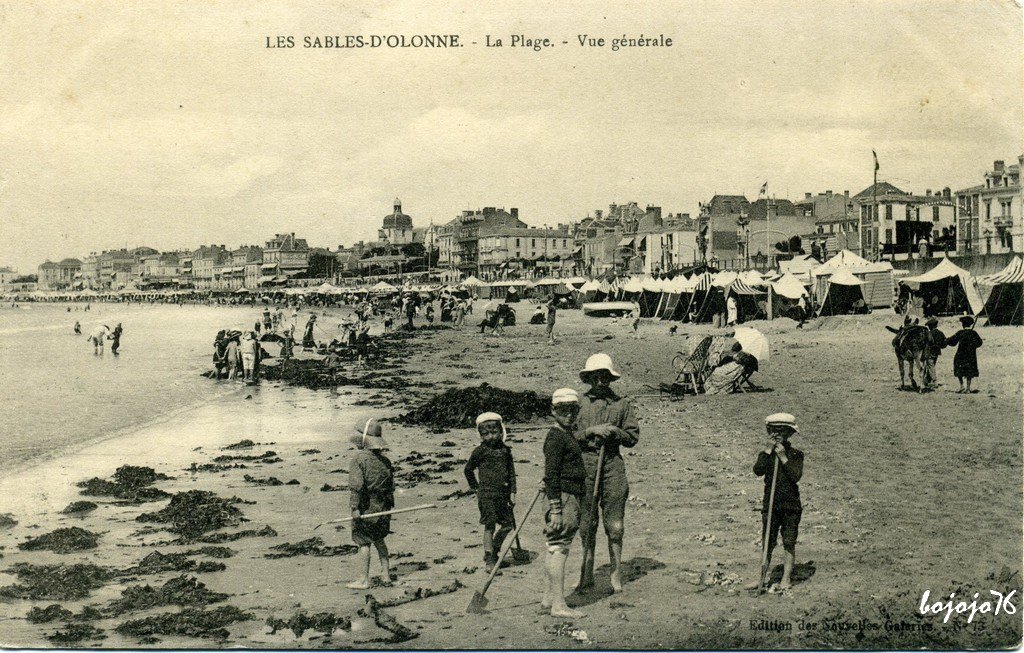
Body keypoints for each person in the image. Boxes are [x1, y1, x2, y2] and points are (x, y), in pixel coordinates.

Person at [575, 353, 639, 594]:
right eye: (596, 377)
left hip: (612, 464)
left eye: (606, 377)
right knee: (586, 522)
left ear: (611, 379)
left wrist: (615, 432)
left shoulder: (622, 404)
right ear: (589, 378)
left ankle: (615, 572)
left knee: (615, 525)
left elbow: (633, 437)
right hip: (586, 464)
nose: (601, 381)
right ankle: (587, 571)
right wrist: (592, 431)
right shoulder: (579, 403)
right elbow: (569, 437)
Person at [542, 388, 587, 618]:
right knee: (560, 548)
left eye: (573, 410)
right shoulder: (557, 437)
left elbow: (551, 473)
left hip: (562, 495)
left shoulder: (562, 434)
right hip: (564, 498)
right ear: (553, 411)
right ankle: (559, 605)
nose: (569, 415)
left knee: (553, 547)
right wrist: (556, 510)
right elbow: (551, 474)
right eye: (563, 410)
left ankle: (549, 598)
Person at [747, 413, 804, 591]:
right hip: (770, 505)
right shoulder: (766, 455)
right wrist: (767, 451)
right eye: (773, 431)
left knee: (789, 541)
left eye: (781, 431)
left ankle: (786, 579)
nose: (777, 435)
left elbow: (795, 476)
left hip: (790, 505)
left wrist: (784, 458)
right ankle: (762, 578)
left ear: (789, 434)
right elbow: (758, 471)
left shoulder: (796, 454)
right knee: (768, 541)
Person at [463, 412, 517, 571]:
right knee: (490, 525)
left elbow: (511, 473)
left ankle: (494, 550)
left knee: (507, 525)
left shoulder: (506, 451)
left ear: (501, 431)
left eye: (494, 432)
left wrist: (513, 491)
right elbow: (468, 470)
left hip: (503, 494)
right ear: (480, 435)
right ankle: (489, 559)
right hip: (486, 494)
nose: (491, 437)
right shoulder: (480, 451)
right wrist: (476, 488)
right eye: (485, 434)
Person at [347, 418, 394, 589]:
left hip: (366, 507)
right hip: (383, 506)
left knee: (364, 542)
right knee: (380, 539)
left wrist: (354, 508)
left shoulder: (359, 460)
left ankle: (364, 580)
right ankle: (386, 575)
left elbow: (357, 487)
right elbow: (391, 486)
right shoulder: (385, 461)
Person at [947, 316, 983, 394]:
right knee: (970, 370)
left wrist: (946, 340)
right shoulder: (973, 333)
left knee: (959, 368)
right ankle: (968, 388)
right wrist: (973, 346)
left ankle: (961, 386)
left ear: (963, 324)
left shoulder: (960, 333)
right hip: (971, 355)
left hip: (961, 354)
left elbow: (952, 341)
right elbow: (979, 343)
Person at [923, 317, 946, 388]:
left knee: (930, 366)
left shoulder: (929, 334)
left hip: (929, 352)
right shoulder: (941, 333)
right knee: (931, 366)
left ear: (931, 326)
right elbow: (944, 344)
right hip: (937, 352)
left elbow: (924, 343)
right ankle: (926, 381)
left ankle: (935, 381)